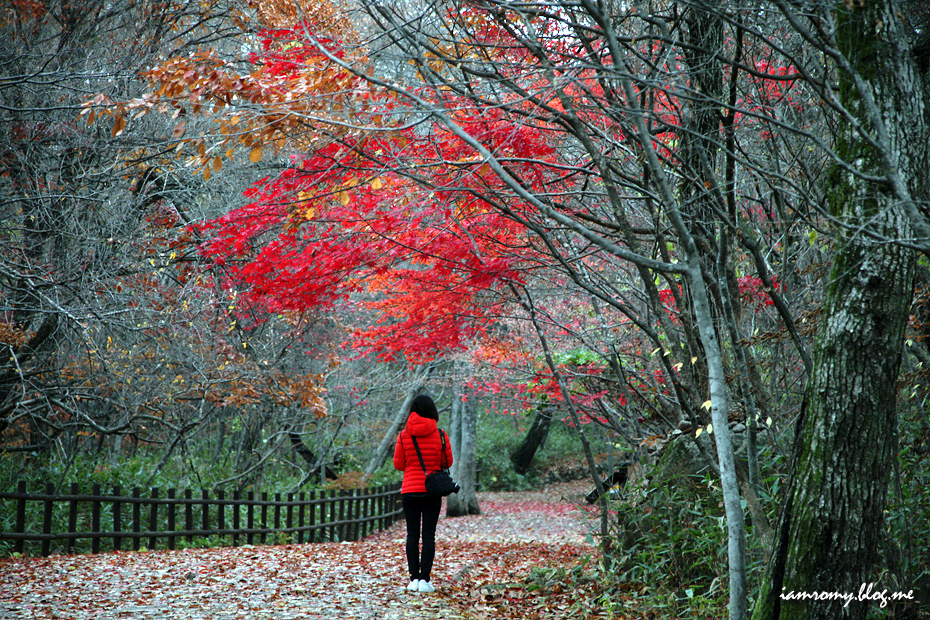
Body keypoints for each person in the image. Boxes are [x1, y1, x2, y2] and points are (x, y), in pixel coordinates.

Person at [393, 394, 453, 593]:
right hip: (431, 491)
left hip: (410, 490)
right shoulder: (441, 434)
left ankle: (413, 579)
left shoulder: (403, 436)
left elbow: (398, 464)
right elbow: (447, 463)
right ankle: (425, 580)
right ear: (432, 411)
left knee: (412, 534)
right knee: (428, 535)